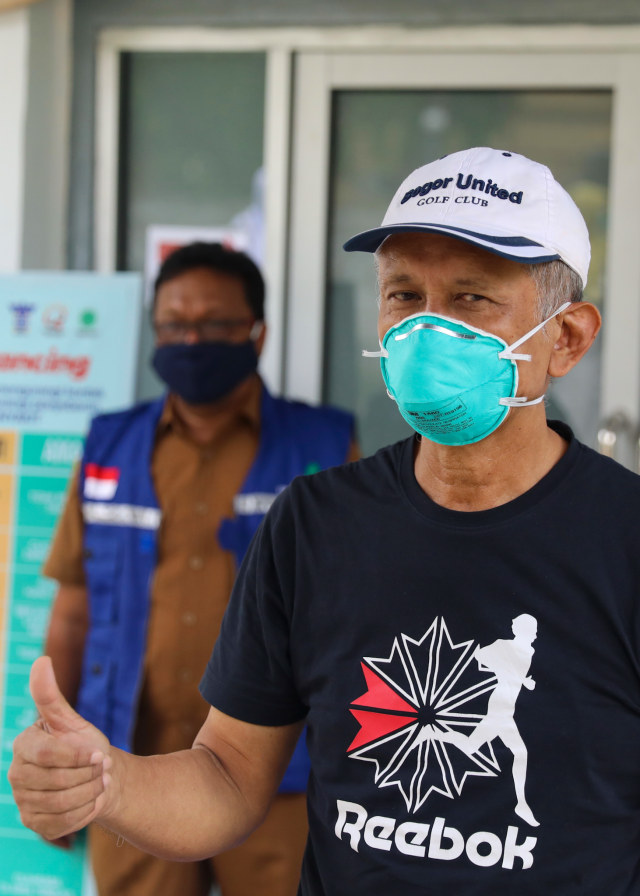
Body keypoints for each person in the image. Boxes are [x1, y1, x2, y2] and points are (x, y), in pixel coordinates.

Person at [10, 147, 640, 894]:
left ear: (565, 338)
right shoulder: (314, 524)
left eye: (471, 298)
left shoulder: (623, 538)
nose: (427, 330)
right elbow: (228, 775)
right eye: (404, 295)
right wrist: (110, 781)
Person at [38, 241, 357, 896]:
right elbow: (73, 614)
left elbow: (356, 619)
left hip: (280, 772)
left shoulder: (325, 446)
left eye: (213, 325)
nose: (191, 338)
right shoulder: (108, 446)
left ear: (256, 333)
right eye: (174, 324)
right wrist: (57, 755)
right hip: (131, 765)